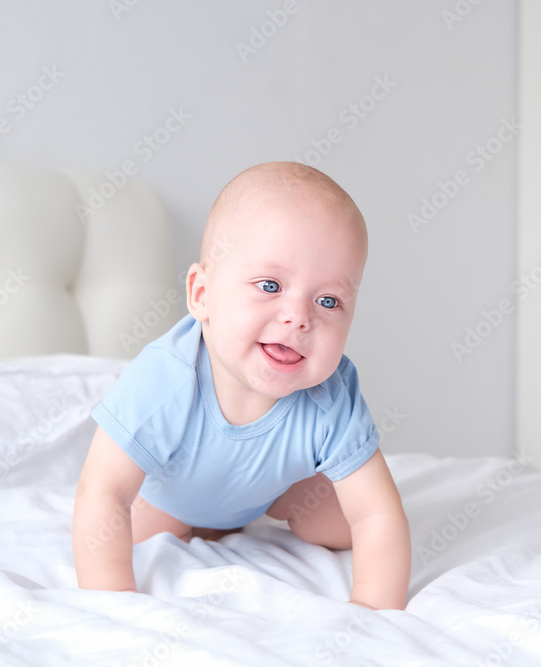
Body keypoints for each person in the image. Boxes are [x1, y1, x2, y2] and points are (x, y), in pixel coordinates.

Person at [72, 161, 410, 611]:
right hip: (171, 498)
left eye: (328, 300)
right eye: (270, 285)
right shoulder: (167, 377)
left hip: (273, 493)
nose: (299, 317)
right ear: (202, 294)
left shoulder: (331, 393)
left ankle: (258, 509)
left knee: (343, 524)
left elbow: (377, 513)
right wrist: (112, 606)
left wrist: (373, 617)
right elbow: (103, 489)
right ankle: (197, 525)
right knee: (128, 531)